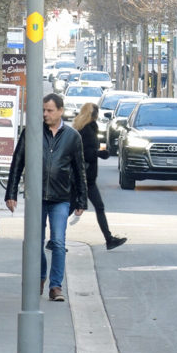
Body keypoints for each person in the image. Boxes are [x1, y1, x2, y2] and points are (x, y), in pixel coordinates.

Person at [5, 93, 88, 302]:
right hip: (36, 197)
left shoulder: (72, 136)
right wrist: (11, 192)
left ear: (61, 111)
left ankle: (56, 286)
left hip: (61, 197)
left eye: (50, 110)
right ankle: (40, 277)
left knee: (58, 241)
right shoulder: (31, 132)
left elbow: (79, 170)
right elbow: (18, 162)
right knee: (36, 241)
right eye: (43, 110)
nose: (45, 114)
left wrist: (81, 200)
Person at [71, 103, 127, 250]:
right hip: (85, 177)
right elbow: (86, 153)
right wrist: (100, 153)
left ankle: (109, 239)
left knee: (72, 207)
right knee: (92, 207)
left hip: (82, 176)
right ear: (93, 115)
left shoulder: (79, 127)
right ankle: (109, 239)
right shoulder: (88, 130)